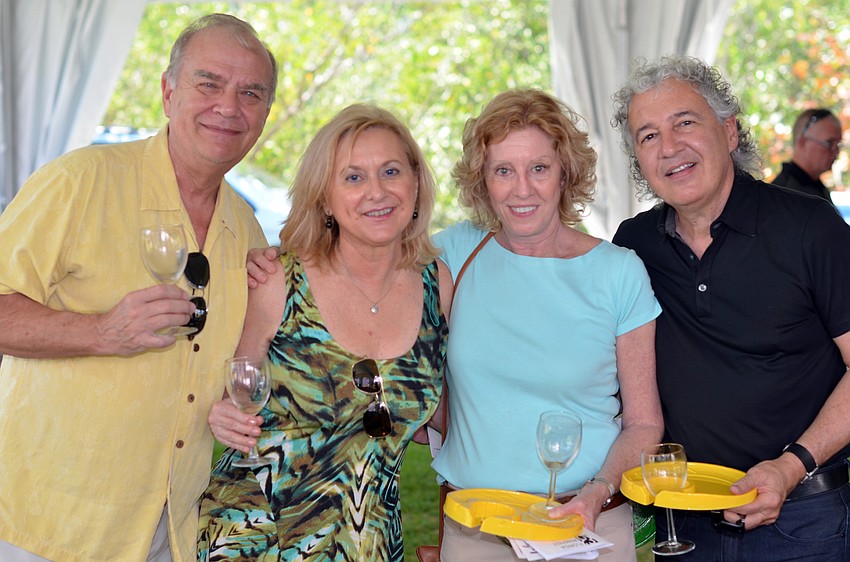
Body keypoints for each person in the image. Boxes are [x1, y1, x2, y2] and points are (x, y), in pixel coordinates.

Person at [0, 13, 277, 562]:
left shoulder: (246, 230)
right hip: (48, 524)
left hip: (166, 529)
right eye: (209, 83)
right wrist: (101, 331)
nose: (229, 106)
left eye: (251, 92)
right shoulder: (79, 181)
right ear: (168, 90)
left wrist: (227, 409)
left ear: (265, 114)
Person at [611, 54, 850, 561]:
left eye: (685, 122)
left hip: (802, 521)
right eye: (648, 135)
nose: (669, 146)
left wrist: (789, 467)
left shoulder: (811, 229)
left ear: (730, 130)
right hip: (685, 524)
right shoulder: (633, 247)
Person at [197, 103, 453, 561]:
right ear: (324, 198)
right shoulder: (280, 278)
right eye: (353, 178)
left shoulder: (438, 284)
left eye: (391, 171)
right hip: (257, 538)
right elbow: (233, 384)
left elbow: (448, 409)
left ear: (415, 182)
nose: (376, 191)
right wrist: (222, 412)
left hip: (370, 541)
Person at [430, 89, 664, 562]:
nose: (522, 189)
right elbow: (360, 275)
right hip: (476, 529)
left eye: (539, 168)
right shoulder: (455, 254)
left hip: (587, 524)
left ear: (565, 174)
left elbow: (644, 422)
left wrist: (596, 493)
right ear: (483, 180)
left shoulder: (618, 272)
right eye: (503, 171)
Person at [771, 108, 844, 205]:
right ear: (803, 142)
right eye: (829, 143)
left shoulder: (813, 187)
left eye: (838, 145)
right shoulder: (786, 194)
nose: (836, 152)